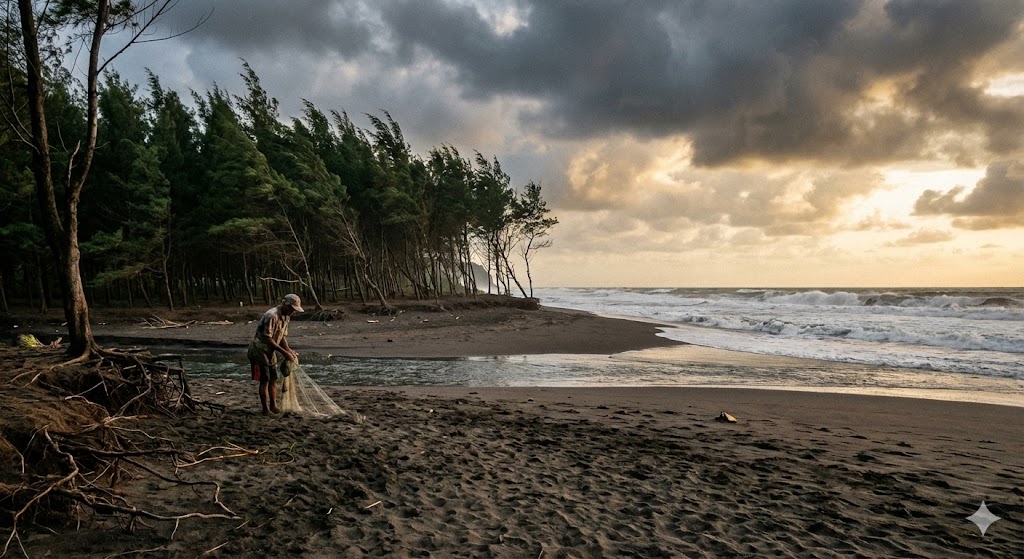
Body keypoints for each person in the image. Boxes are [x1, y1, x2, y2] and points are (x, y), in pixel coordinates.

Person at [248, 293, 303, 414]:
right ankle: (265, 409)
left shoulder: (286, 316)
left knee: (274, 378)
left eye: (294, 310)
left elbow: (281, 336)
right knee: (265, 379)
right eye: (291, 309)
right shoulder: (271, 316)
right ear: (285, 304)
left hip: (270, 350)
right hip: (260, 349)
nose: (292, 312)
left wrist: (288, 350)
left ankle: (273, 405)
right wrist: (284, 352)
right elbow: (268, 339)